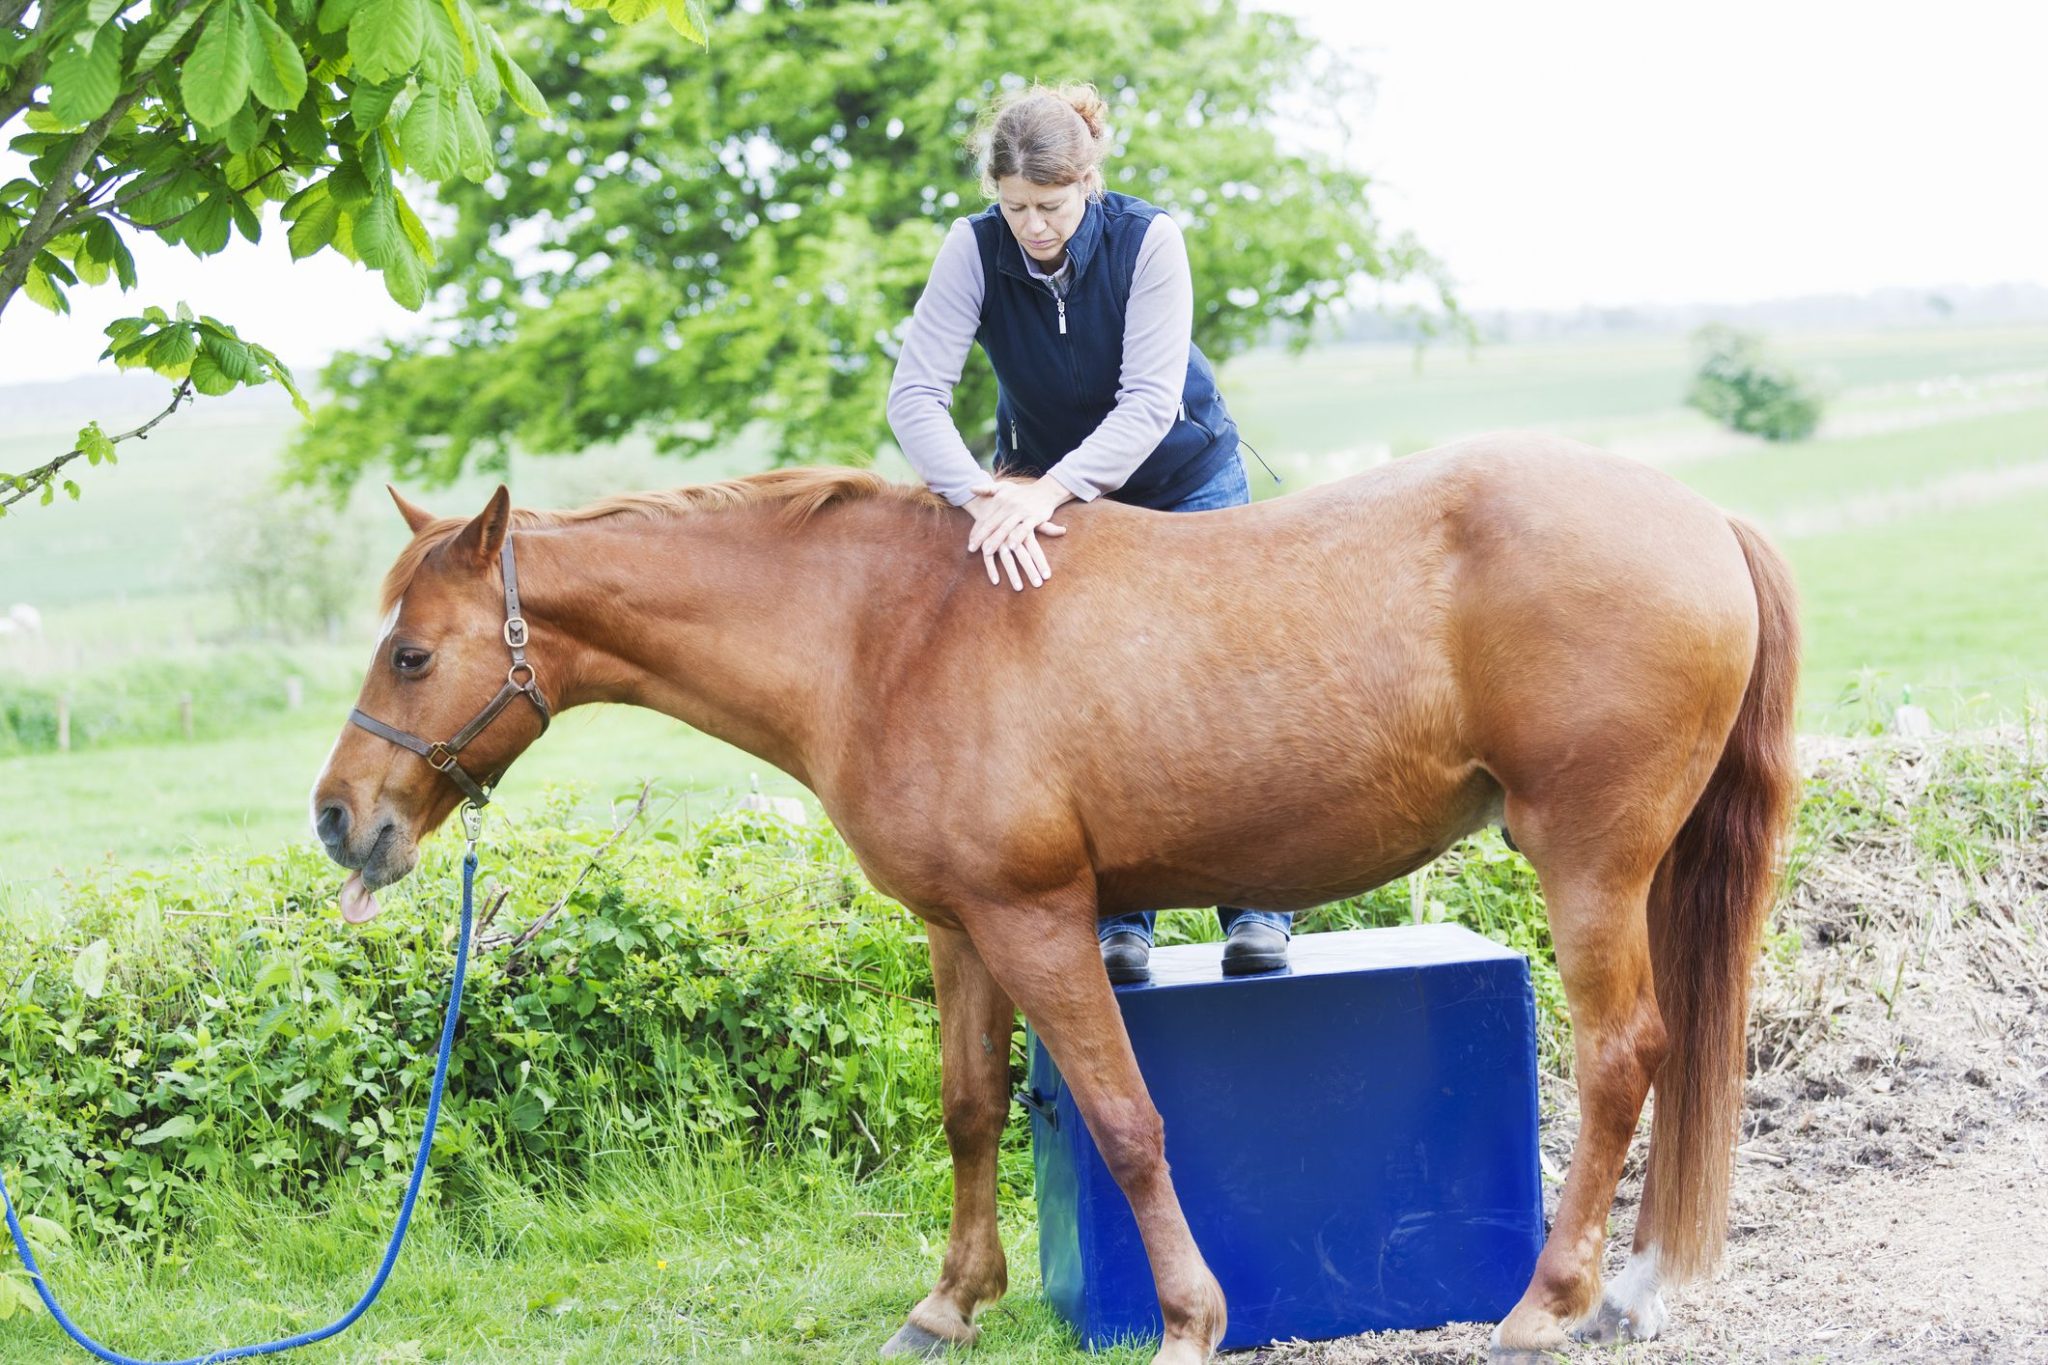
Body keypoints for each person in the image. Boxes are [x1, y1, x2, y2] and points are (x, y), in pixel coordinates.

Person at [885, 81, 1291, 984]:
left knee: (1219, 676)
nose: (1033, 226)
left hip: (1180, 473)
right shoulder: (972, 248)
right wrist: (981, 495)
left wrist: (1052, 489)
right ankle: (1122, 922)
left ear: (1090, 182)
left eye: (1052, 206)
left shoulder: (1152, 239)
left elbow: (1148, 402)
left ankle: (1259, 903)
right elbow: (914, 396)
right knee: (1082, 693)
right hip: (1039, 493)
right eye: (1016, 207)